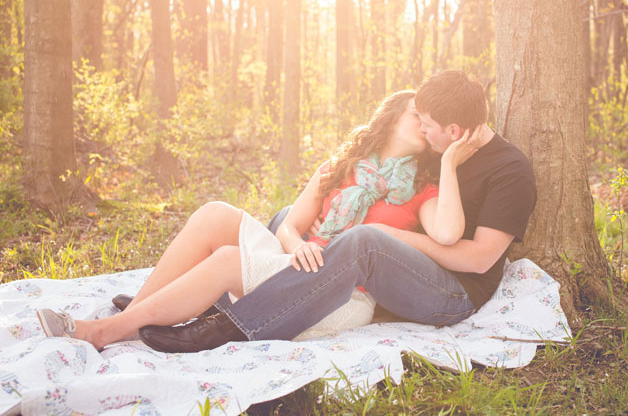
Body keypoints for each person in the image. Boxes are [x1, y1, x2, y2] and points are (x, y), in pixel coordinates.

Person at [36, 90, 475, 350]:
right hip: (300, 262)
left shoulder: (421, 190)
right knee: (214, 214)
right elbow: (290, 222)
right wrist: (296, 243)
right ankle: (141, 311)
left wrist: (452, 162)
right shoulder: (343, 165)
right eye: (418, 113)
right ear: (393, 116)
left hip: (340, 297)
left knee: (229, 259)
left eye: (430, 121)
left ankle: (104, 332)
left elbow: (449, 232)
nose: (424, 123)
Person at [134, 70, 537, 353]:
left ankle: (229, 323)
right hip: (400, 270)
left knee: (364, 241)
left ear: (454, 132)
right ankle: (163, 300)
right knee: (288, 219)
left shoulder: (508, 170)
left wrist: (394, 236)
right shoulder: (430, 150)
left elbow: (480, 259)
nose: (422, 130)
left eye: (427, 124)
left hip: (452, 292)